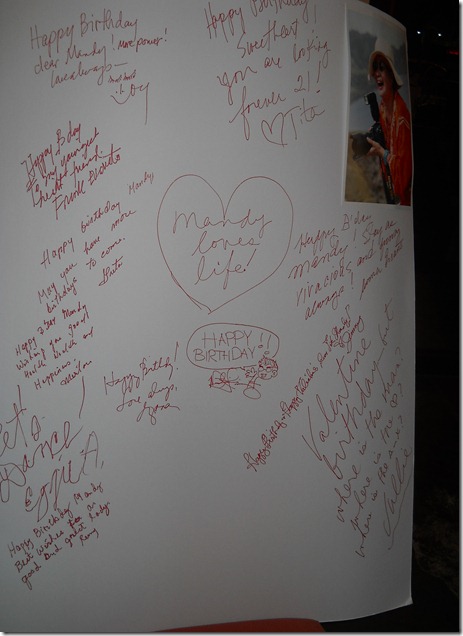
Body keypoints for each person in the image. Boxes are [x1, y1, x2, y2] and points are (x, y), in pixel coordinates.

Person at [367, 39, 412, 205]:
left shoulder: (402, 118)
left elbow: (406, 173)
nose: (377, 74)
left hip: (402, 202)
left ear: (392, 75)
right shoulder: (382, 108)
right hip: (390, 193)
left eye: (382, 67)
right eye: (375, 68)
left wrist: (383, 153)